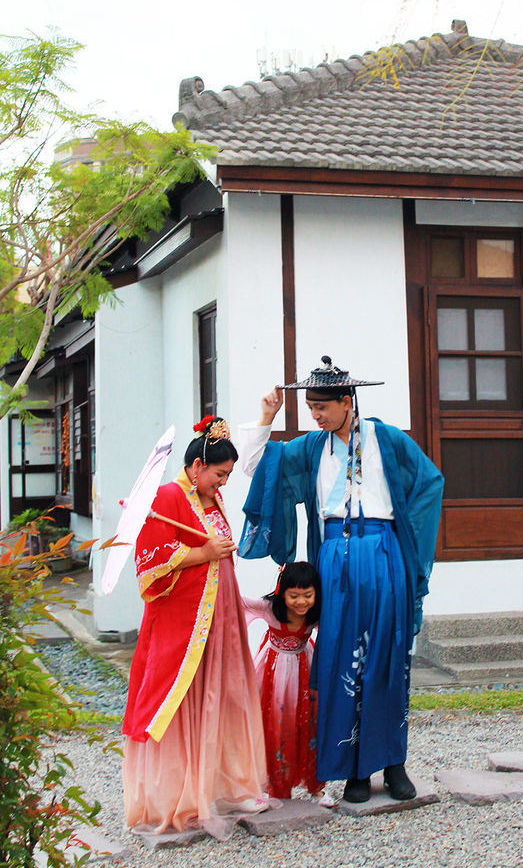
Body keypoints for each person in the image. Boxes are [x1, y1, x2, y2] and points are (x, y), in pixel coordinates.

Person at [238, 357, 444, 804]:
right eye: (311, 407)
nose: (315, 416)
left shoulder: (387, 439)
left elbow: (430, 482)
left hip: (384, 551)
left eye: (321, 407)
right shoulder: (313, 448)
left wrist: (411, 544)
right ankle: (354, 768)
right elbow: (258, 469)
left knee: (387, 659)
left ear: (347, 402)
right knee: (341, 661)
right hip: (334, 558)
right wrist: (266, 418)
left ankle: (393, 764)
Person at [122, 415, 267, 840]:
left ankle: (225, 784)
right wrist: (203, 551)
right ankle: (181, 796)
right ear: (198, 465)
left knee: (221, 696)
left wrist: (214, 552)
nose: (222, 484)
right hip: (183, 619)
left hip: (219, 614)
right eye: (219, 475)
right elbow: (149, 563)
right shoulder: (167, 498)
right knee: (184, 700)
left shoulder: (211, 499)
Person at [242, 561, 333, 805]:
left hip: (305, 666)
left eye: (308, 595)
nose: (301, 602)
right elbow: (237, 601)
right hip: (273, 672)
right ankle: (274, 788)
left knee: (311, 724)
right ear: (282, 593)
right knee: (275, 725)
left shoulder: (317, 613)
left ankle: (316, 787)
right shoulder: (270, 609)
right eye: (294, 595)